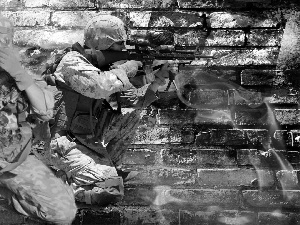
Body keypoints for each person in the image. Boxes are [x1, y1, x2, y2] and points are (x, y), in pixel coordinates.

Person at [34, 14, 171, 206]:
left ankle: (105, 166)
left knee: (132, 114)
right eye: (119, 44)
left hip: (83, 136)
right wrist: (129, 68)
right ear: (103, 42)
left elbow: (130, 102)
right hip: (59, 141)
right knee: (110, 190)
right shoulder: (72, 61)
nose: (123, 49)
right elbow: (101, 86)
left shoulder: (103, 67)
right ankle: (53, 184)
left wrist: (153, 81)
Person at [0, 15, 77, 224]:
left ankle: (8, 197)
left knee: (63, 212)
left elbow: (44, 111)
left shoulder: (21, 78)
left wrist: (19, 74)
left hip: (15, 162)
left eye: (4, 40)